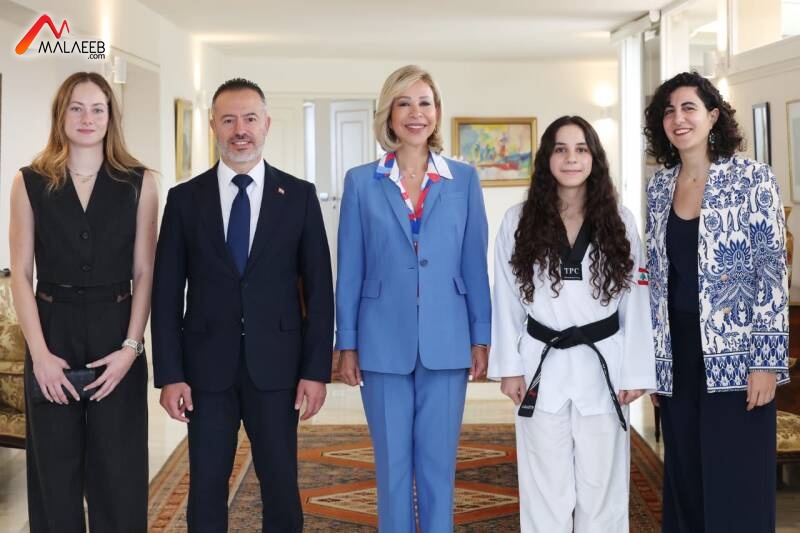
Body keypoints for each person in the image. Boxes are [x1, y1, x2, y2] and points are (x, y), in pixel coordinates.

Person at [151, 78, 334, 532]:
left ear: (266, 124)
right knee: (206, 486)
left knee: (280, 484)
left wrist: (315, 371)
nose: (240, 130)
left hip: (278, 368)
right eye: (229, 120)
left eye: (250, 119)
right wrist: (170, 374)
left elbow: (320, 292)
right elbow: (166, 294)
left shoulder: (299, 197)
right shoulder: (184, 200)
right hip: (205, 370)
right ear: (213, 125)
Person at [335, 65, 491, 532]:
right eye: (404, 103)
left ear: (437, 112)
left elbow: (474, 265)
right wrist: (347, 342)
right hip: (382, 341)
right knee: (392, 468)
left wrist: (481, 336)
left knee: (439, 469)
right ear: (389, 113)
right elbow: (350, 268)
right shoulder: (361, 182)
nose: (415, 113)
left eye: (425, 103)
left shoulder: (463, 180)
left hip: (448, 339)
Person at [489, 116, 656, 532]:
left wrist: (636, 371)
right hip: (541, 365)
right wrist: (509, 368)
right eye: (560, 149)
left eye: (581, 149)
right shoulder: (517, 220)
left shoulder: (620, 220)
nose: (571, 158)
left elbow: (636, 300)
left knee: (603, 488)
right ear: (547, 158)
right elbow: (505, 299)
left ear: (594, 158)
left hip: (604, 365)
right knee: (545, 487)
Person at [9, 71, 157, 532]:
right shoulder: (29, 182)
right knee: (54, 472)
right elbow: (21, 275)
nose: (87, 118)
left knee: (119, 469)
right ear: (61, 115)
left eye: (97, 108)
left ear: (111, 117)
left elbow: (145, 272)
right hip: (51, 331)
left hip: (117, 332)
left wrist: (131, 348)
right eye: (76, 108)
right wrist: (40, 356)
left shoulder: (139, 182)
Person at [644, 71, 789, 533]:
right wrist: (654, 362)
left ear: (712, 116)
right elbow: (656, 278)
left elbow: (772, 272)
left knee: (737, 479)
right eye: (669, 111)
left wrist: (766, 363)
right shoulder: (659, 187)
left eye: (689, 108)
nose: (678, 118)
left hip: (738, 355)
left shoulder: (752, 178)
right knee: (686, 477)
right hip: (678, 354)